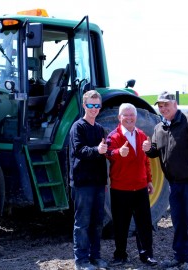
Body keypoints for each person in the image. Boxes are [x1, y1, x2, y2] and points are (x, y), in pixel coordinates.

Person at [145, 91, 188, 270]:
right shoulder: (159, 128)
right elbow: (155, 152)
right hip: (173, 184)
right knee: (178, 221)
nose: (163, 108)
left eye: (166, 104)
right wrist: (147, 149)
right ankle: (180, 257)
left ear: (175, 104)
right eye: (160, 105)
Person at [105, 103, 158, 267]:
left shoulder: (142, 135)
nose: (129, 118)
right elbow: (107, 153)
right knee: (121, 224)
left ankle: (146, 254)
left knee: (144, 224)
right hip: (121, 189)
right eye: (125, 115)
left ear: (135, 117)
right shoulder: (113, 137)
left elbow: (146, 161)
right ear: (119, 117)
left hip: (140, 187)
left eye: (131, 115)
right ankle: (120, 255)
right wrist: (117, 153)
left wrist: (149, 180)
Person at [69, 90, 108, 270]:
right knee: (82, 223)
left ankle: (96, 257)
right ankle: (81, 261)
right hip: (83, 182)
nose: (94, 109)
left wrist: (105, 181)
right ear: (84, 106)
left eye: (97, 106)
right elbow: (79, 150)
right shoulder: (78, 127)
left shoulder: (100, 129)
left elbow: (103, 155)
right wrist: (97, 150)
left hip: (98, 183)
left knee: (97, 222)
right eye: (91, 105)